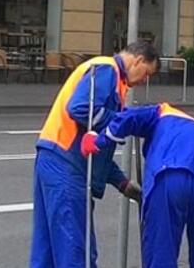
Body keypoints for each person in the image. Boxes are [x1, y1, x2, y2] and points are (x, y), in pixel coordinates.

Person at [30, 42, 160, 268]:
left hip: (53, 158)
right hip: (67, 166)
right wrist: (123, 122)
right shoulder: (107, 69)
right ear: (138, 60)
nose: (142, 81)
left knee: (47, 250)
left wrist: (122, 183)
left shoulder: (107, 75)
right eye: (146, 73)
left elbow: (95, 147)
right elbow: (80, 108)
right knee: (75, 249)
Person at [81, 103, 194, 268]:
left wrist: (98, 140)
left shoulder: (162, 112)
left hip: (168, 172)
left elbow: (130, 116)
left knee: (160, 253)